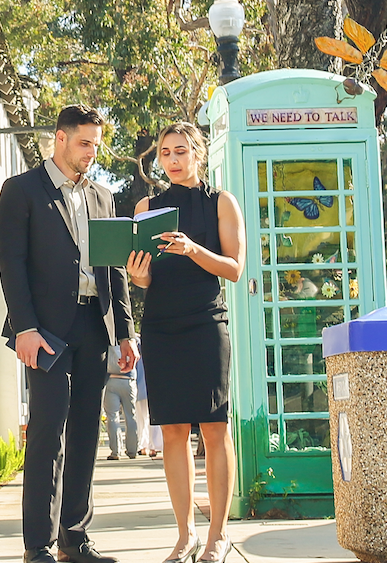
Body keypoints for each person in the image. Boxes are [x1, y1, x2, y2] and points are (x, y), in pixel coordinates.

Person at [0, 104, 136, 563]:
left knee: (84, 436)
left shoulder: (103, 196)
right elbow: (12, 265)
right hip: (47, 331)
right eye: (84, 143)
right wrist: (25, 328)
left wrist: (125, 333)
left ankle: (74, 539)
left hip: (93, 328)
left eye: (96, 145)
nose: (91, 153)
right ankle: (36, 545)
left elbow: (113, 269)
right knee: (47, 433)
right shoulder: (21, 191)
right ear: (59, 139)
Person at [127, 121, 246, 563]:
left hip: (206, 324)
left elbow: (234, 269)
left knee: (215, 429)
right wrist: (138, 274)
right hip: (160, 327)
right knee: (173, 431)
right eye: (165, 153)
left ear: (197, 153)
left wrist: (193, 249)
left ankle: (218, 535)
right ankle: (186, 534)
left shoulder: (221, 203)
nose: (173, 160)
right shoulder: (146, 206)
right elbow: (142, 278)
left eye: (181, 151)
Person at [102, 346, 138, 460]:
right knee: (131, 416)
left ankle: (116, 451)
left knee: (112, 416)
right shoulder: (130, 339)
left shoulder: (108, 338)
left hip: (111, 380)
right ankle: (132, 450)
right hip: (128, 381)